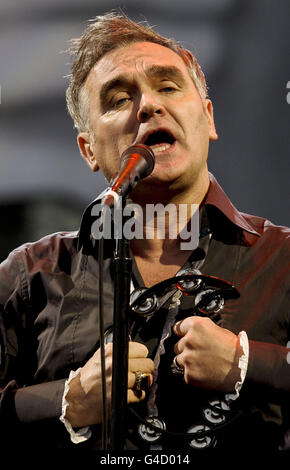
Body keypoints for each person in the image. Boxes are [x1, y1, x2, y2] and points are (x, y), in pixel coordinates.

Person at [0, 11, 289, 458]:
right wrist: (67, 401)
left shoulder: (283, 258)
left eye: (169, 86)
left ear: (208, 119)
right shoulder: (28, 274)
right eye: (118, 99)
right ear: (89, 149)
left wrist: (247, 364)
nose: (149, 106)